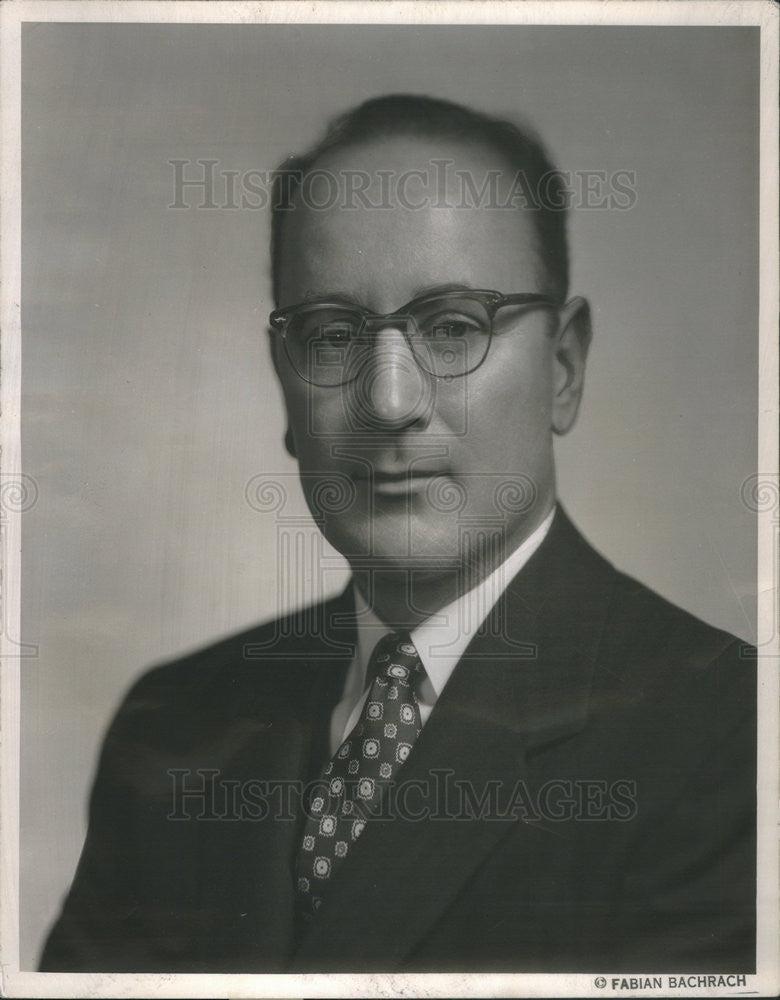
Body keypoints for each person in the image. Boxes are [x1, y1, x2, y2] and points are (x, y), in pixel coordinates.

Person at [40, 94, 756, 974]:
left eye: (453, 326)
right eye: (334, 335)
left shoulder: (727, 734)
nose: (387, 402)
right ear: (286, 385)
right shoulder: (174, 723)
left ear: (564, 368)